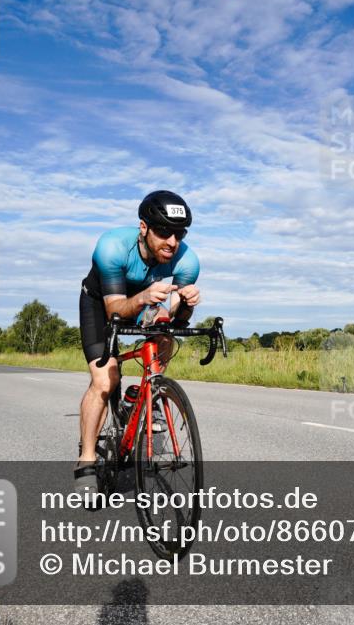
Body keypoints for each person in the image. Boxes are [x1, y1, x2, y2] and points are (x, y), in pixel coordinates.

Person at [76, 190, 201, 492]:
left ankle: (147, 391)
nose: (172, 242)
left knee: (165, 329)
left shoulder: (187, 262)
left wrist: (186, 304)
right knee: (105, 381)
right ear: (143, 228)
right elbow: (114, 309)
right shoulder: (112, 247)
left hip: (145, 304)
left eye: (179, 234)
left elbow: (177, 320)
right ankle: (87, 459)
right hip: (101, 305)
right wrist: (144, 296)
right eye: (164, 232)